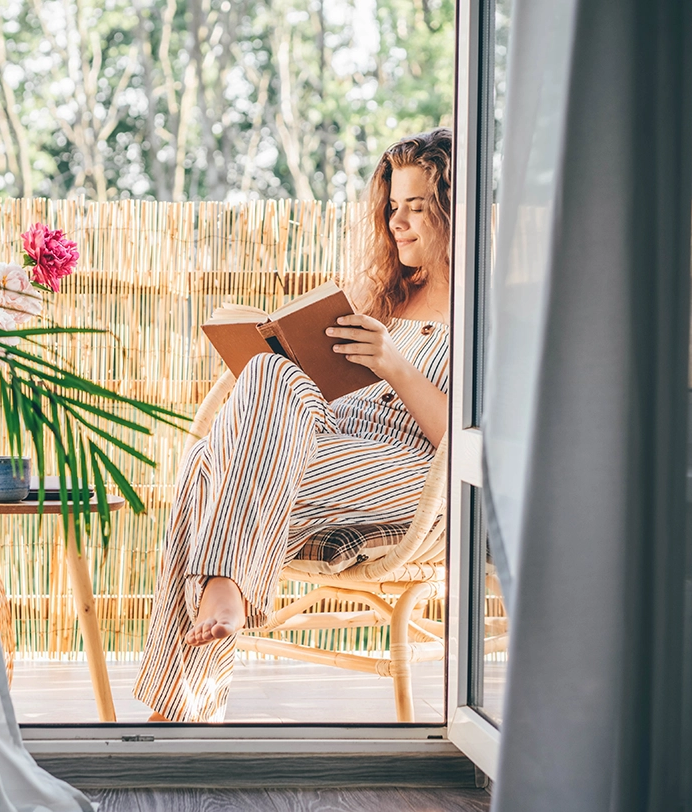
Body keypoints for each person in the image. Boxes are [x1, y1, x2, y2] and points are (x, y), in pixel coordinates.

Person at [133, 129, 453, 722]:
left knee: (208, 471)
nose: (399, 223)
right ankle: (218, 609)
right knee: (268, 373)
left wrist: (392, 362)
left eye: (417, 207)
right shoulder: (381, 296)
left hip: (415, 471)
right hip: (321, 444)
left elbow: (463, 442)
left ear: (453, 211)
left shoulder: (486, 310)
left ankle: (183, 705)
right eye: (392, 207)